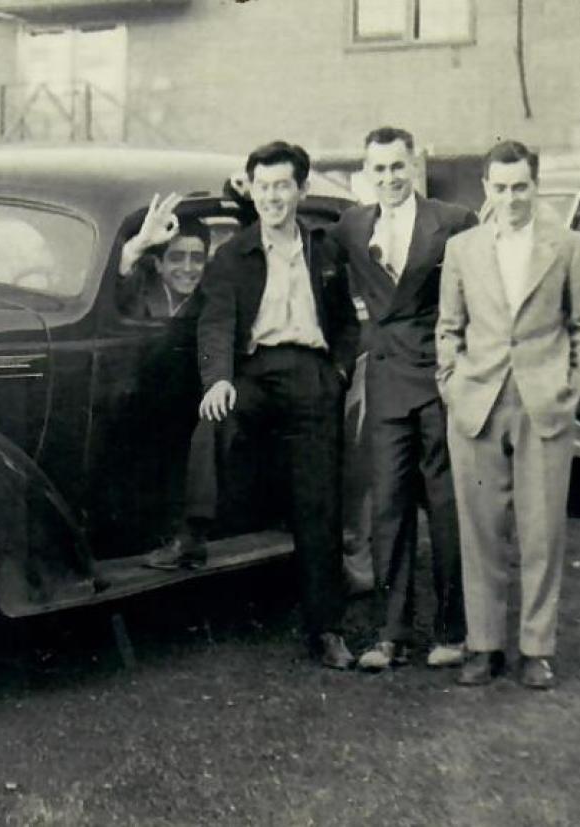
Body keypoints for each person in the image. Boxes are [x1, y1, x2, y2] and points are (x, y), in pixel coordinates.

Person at [148, 141, 361, 670]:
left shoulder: (326, 250)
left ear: (300, 191)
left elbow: (347, 325)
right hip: (256, 373)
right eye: (263, 186)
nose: (273, 196)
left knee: (318, 502)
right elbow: (215, 321)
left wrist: (337, 373)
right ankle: (192, 535)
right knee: (214, 421)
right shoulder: (232, 256)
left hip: (313, 375)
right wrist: (218, 380)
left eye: (283, 185)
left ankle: (326, 631)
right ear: (253, 190)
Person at [436, 140, 580, 689]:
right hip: (478, 405)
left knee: (541, 532)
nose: (511, 198)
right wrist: (454, 386)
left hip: (542, 405)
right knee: (479, 531)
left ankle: (536, 648)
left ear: (536, 186)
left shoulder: (567, 245)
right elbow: (448, 330)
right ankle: (483, 645)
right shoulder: (462, 249)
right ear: (487, 189)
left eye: (521, 187)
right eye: (500, 188)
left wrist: (569, 392)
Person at [331, 127, 478, 672]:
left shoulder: (454, 221)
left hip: (440, 378)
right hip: (388, 382)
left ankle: (452, 629)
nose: (389, 178)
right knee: (388, 507)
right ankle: (390, 634)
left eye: (398, 167)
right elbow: (297, 243)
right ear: (366, 173)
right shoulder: (352, 226)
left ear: (413, 166)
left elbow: (479, 293)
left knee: (445, 507)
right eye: (379, 170)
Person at [116, 193, 210, 319]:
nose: (187, 268)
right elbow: (115, 290)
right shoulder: (139, 291)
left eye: (197, 259)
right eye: (176, 258)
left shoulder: (213, 298)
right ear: (158, 264)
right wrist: (137, 245)